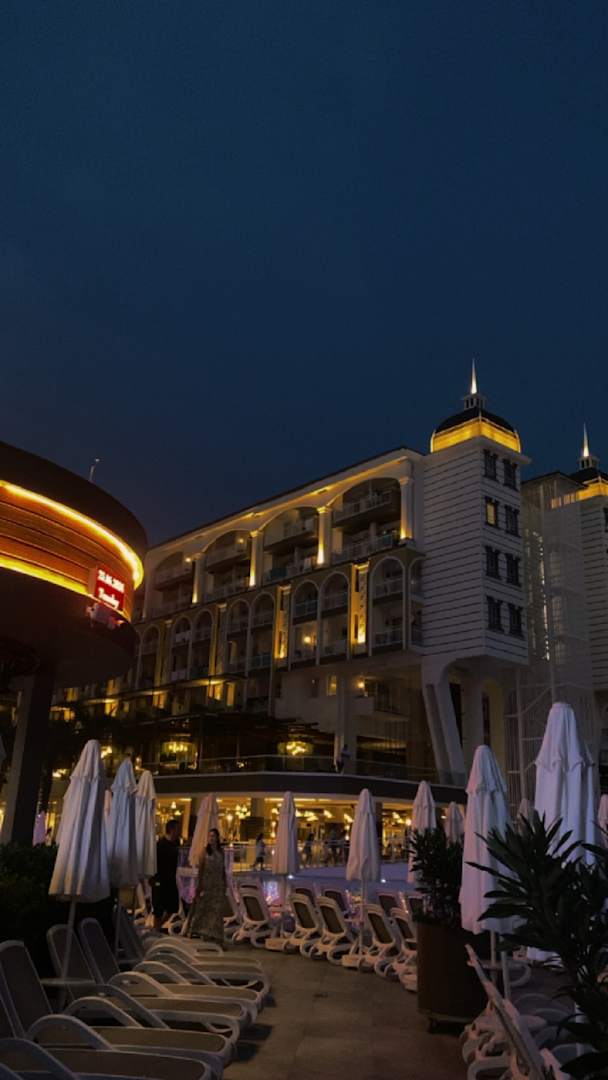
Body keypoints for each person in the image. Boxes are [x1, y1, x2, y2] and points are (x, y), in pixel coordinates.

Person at [186, 827, 227, 946]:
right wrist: (199, 885)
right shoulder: (204, 852)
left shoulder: (221, 852)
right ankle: (206, 934)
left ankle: (218, 938)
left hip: (218, 885)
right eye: (209, 836)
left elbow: (223, 868)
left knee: (217, 912)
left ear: (217, 838)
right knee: (206, 910)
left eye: (213, 836)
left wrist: (225, 883)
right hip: (207, 884)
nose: (211, 838)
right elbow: (201, 869)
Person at [152, 818, 181, 931]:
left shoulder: (176, 844)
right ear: (172, 830)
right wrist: (154, 880)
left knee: (173, 907)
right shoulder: (160, 845)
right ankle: (156, 929)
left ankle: (157, 928)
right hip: (160, 880)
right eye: (178, 829)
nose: (179, 832)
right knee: (158, 908)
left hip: (171, 880)